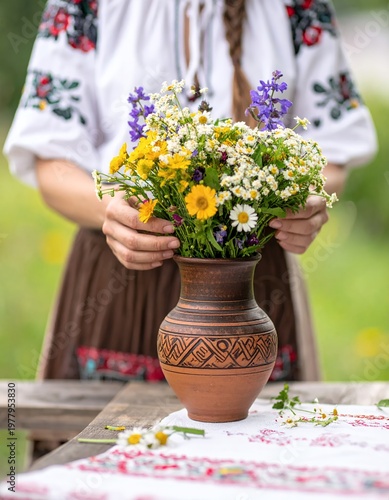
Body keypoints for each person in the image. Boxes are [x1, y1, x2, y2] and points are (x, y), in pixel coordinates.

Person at [4, 0, 377, 386]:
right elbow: (51, 160)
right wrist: (110, 211)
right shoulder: (86, 6)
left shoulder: (296, 7)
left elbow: (332, 154)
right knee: (106, 441)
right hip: (122, 270)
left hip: (252, 282)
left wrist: (302, 199)